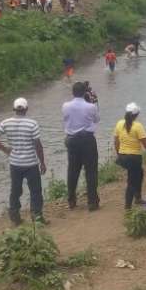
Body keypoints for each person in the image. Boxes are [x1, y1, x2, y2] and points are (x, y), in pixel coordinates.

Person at [0, 98, 47, 225]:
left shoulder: (5, 123)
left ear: (14, 109)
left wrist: (5, 149)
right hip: (31, 164)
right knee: (35, 191)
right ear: (26, 109)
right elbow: (38, 146)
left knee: (15, 191)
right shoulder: (32, 124)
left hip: (15, 164)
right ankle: (37, 218)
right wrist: (42, 162)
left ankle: (15, 217)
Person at [63, 82, 101, 211]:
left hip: (72, 140)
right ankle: (92, 202)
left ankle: (71, 200)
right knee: (91, 171)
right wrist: (93, 102)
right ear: (85, 92)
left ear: (72, 93)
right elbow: (97, 120)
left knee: (72, 171)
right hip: (87, 140)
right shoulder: (90, 107)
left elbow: (66, 119)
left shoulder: (65, 106)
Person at [114, 102, 146, 211]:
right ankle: (128, 207)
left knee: (139, 173)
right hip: (133, 158)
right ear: (137, 114)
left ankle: (138, 197)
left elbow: (116, 141)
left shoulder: (119, 123)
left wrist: (119, 154)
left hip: (123, 157)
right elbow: (145, 143)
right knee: (132, 181)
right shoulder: (137, 126)